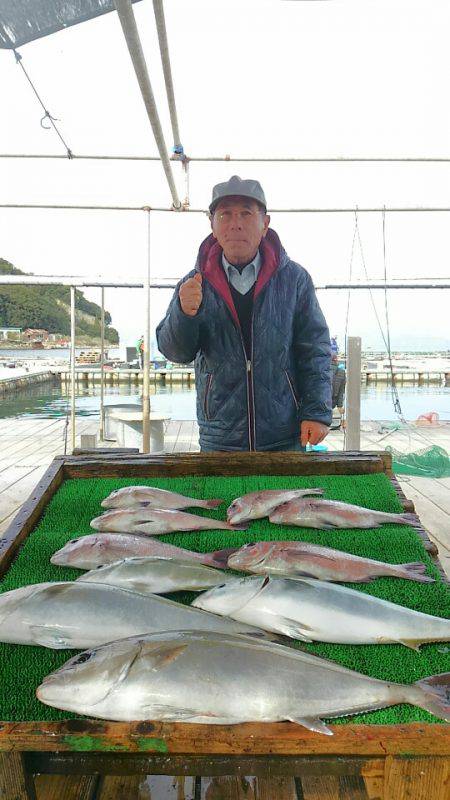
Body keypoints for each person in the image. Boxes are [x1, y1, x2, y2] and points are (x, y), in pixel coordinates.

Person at [156, 175, 332, 451]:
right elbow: (176, 353)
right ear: (212, 225)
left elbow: (315, 349)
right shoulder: (193, 284)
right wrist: (183, 314)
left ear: (265, 223)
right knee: (220, 497)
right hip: (219, 439)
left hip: (285, 436)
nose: (235, 223)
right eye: (225, 214)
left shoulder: (295, 279)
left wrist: (316, 412)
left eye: (246, 213)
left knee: (288, 496)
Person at [331, 354, 346, 425]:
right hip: (333, 402)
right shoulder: (342, 372)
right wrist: (340, 406)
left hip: (320, 402)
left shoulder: (321, 370)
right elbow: (341, 391)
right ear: (336, 360)